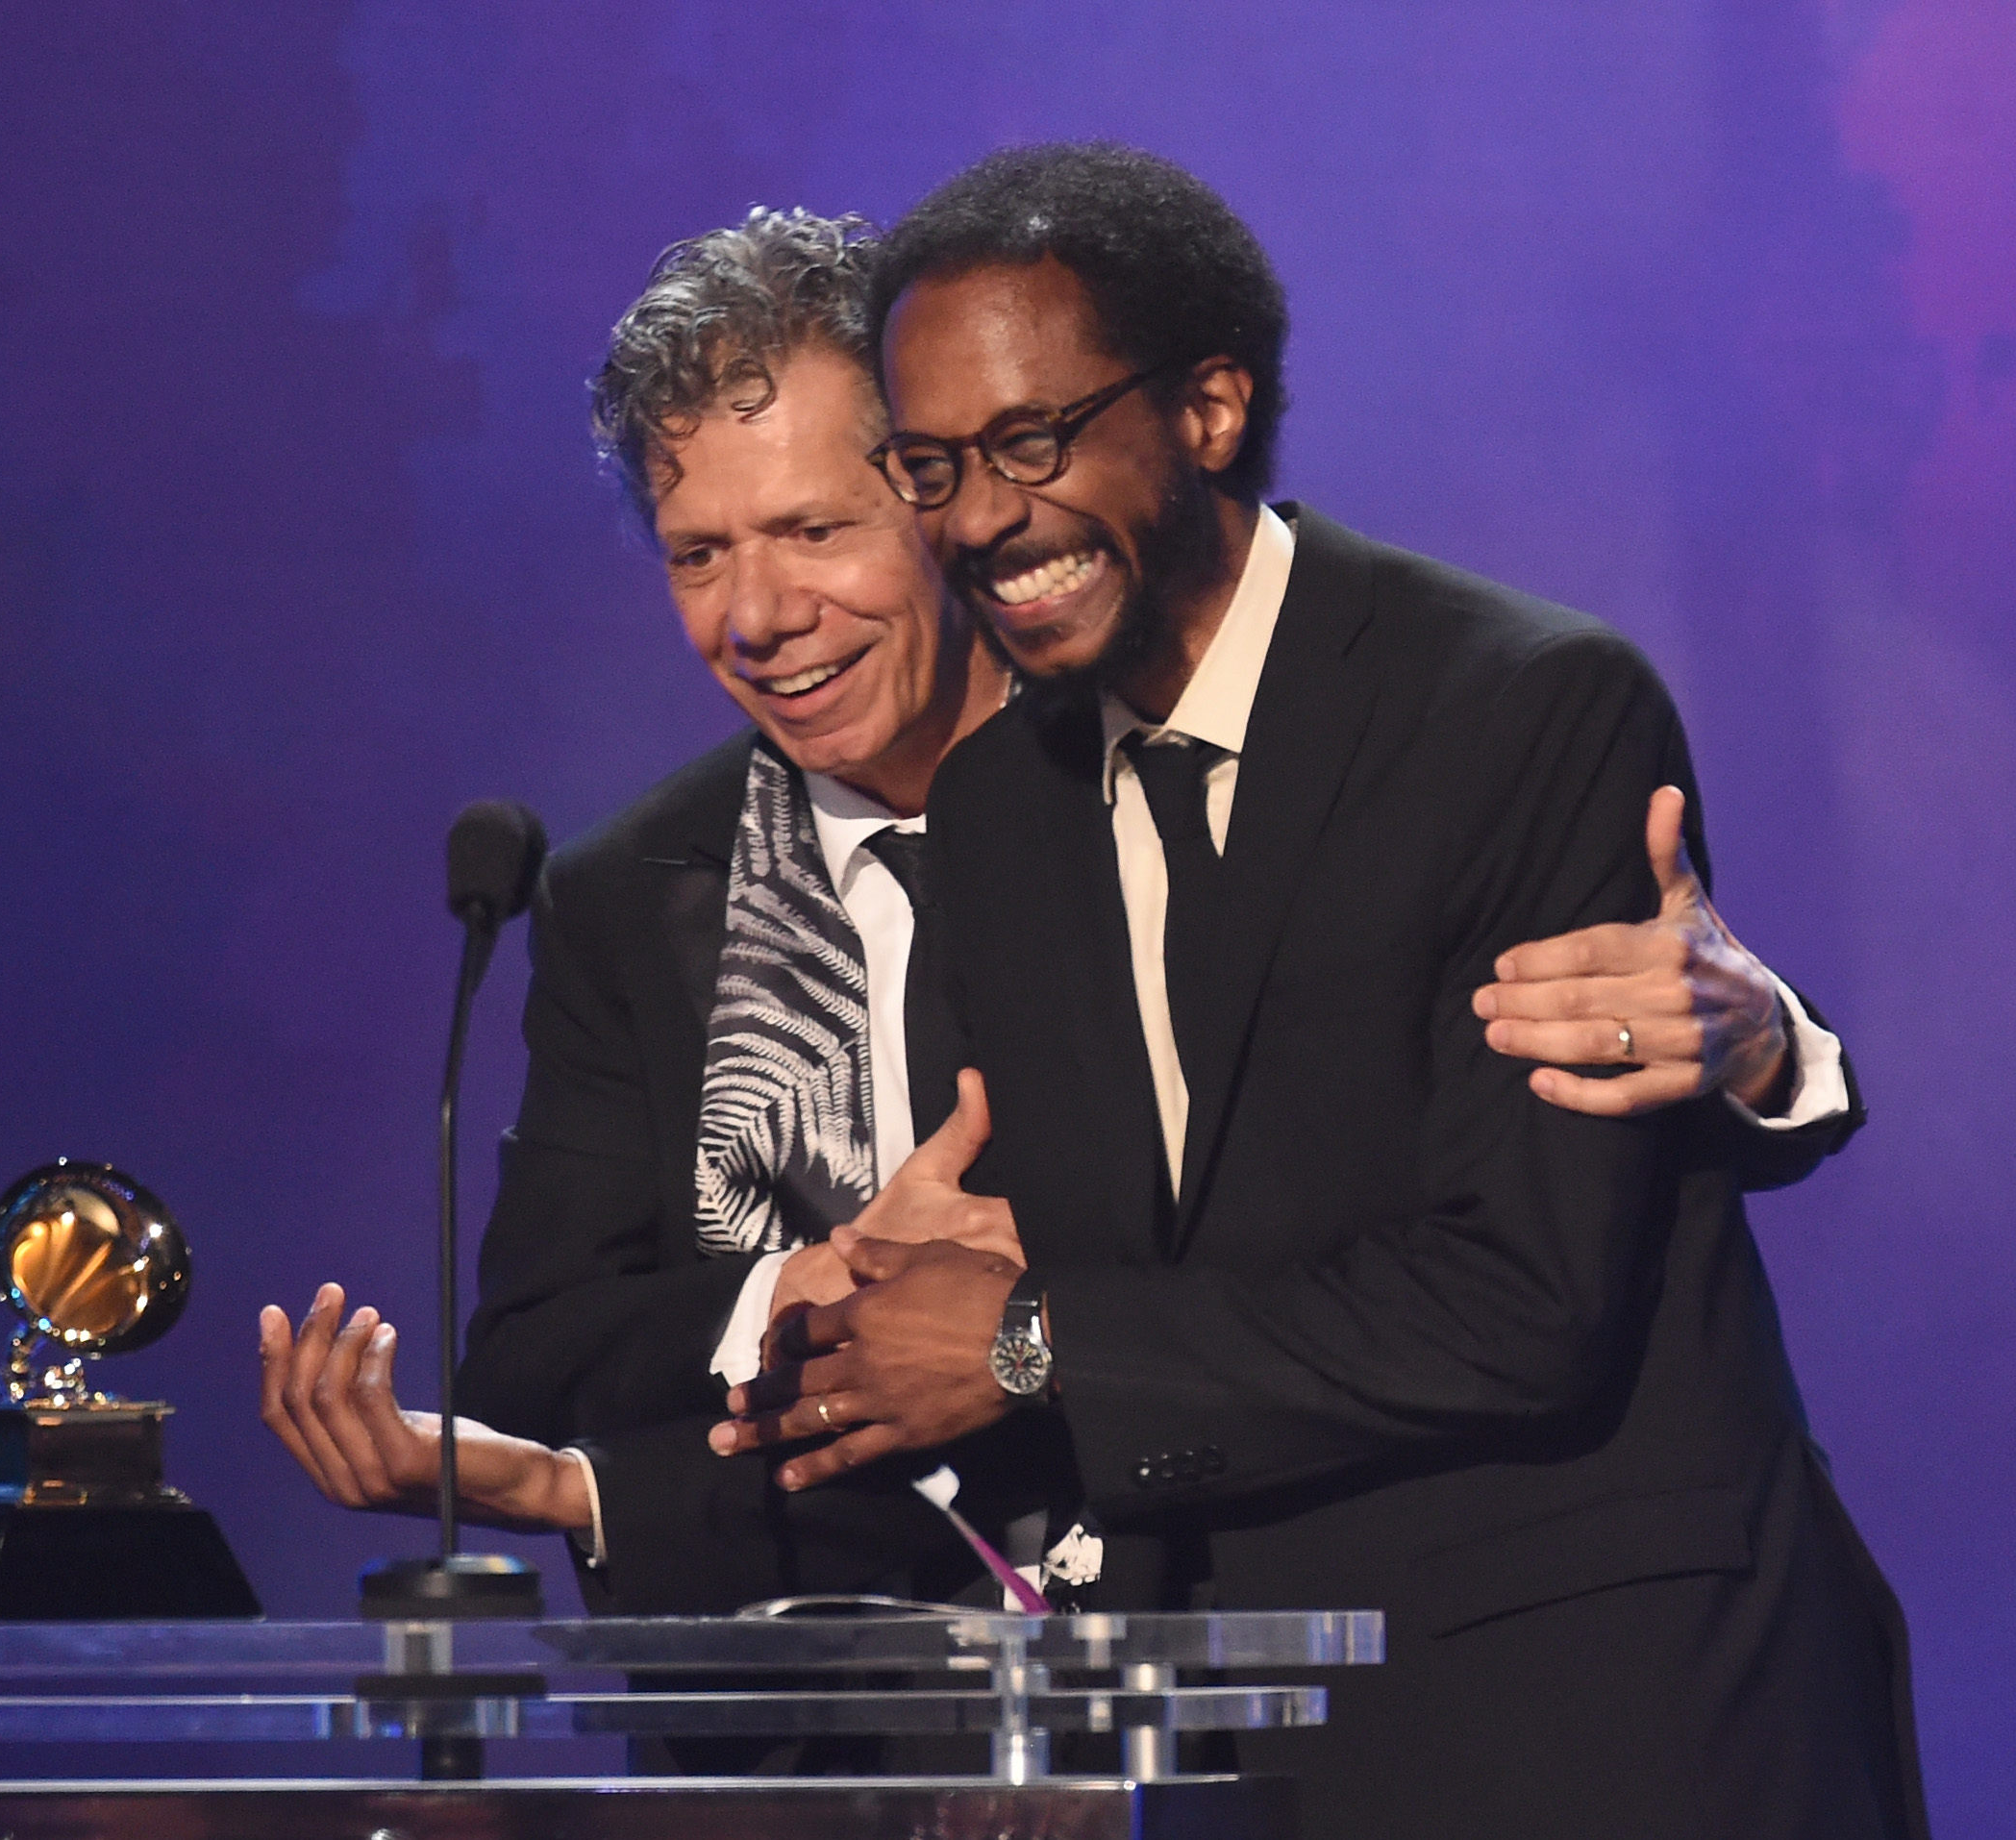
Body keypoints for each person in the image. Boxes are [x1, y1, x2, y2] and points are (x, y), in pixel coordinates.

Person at [257, 208, 1858, 1629]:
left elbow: (1428, 1190)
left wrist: (1763, 1040)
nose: (758, 616)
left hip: (1322, 1633)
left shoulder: (1184, 763)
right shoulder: (631, 897)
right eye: (698, 554)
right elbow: (543, 1356)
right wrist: (811, 1295)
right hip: (830, 1699)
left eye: (817, 529)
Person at [711, 148, 1924, 1837]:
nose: (978, 517)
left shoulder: (1516, 710)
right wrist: (915, 1285)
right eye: (927, 466)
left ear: (1209, 407)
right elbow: (1134, 1282)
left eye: (1028, 443)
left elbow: (1517, 1304)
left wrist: (1031, 1334)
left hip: (1609, 1726)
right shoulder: (998, 809)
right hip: (1247, 1745)